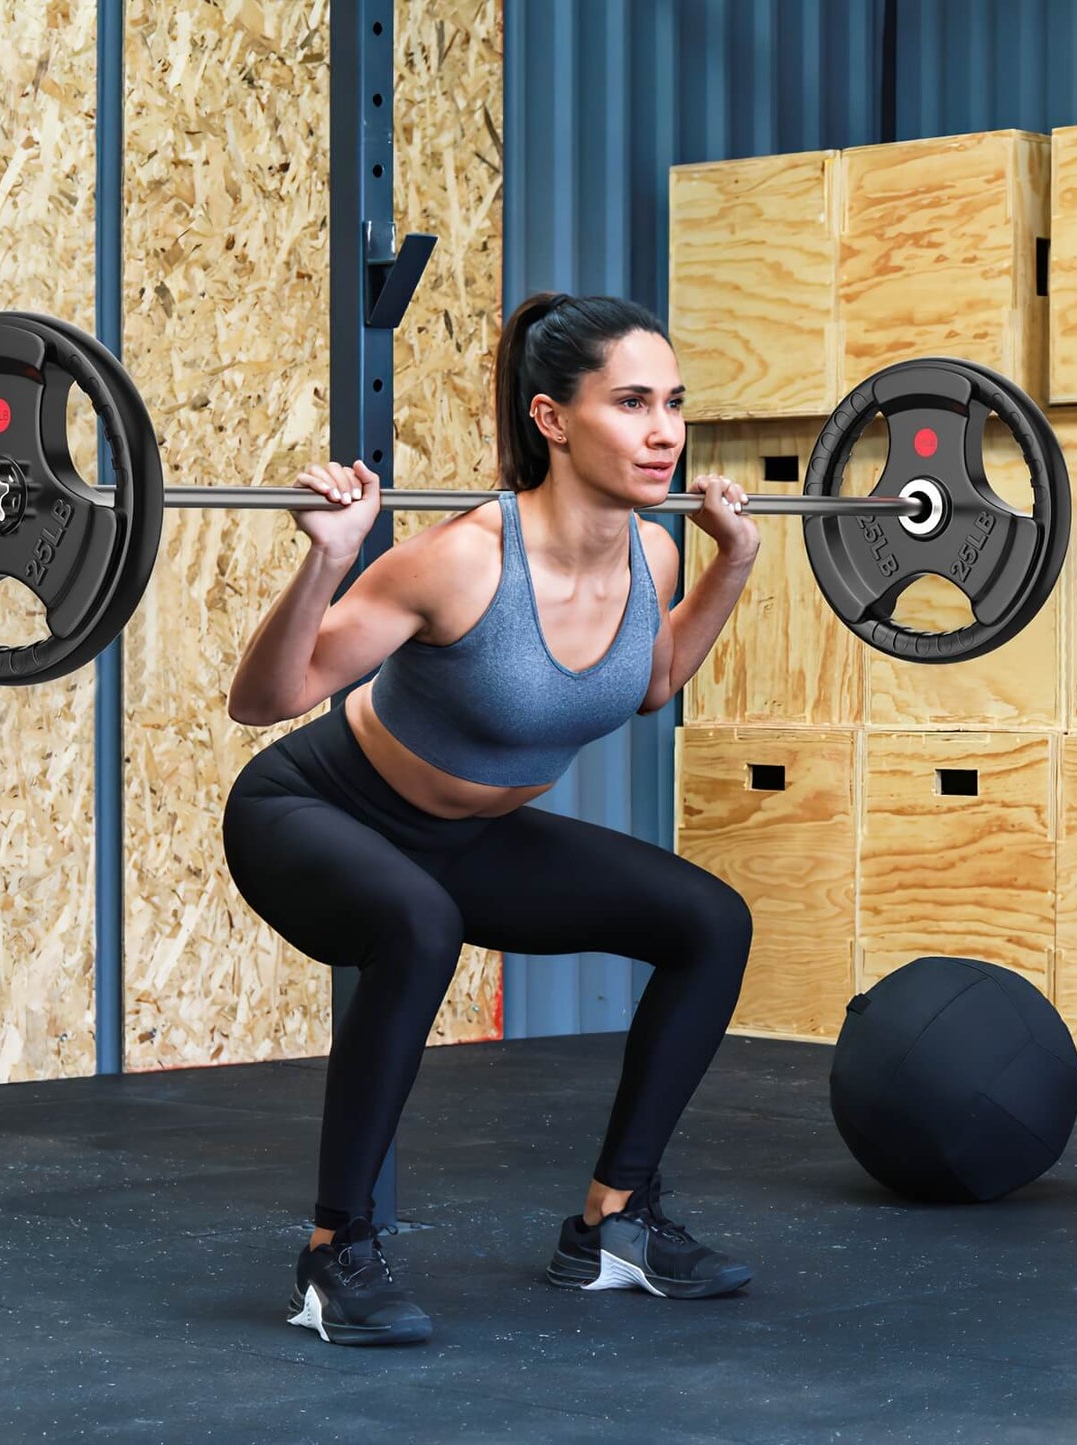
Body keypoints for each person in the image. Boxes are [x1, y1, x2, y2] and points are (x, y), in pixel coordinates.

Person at [221, 292, 760, 1348]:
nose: (664, 432)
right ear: (552, 419)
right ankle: (337, 1252)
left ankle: (613, 1220)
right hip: (315, 810)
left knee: (709, 920)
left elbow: (649, 680)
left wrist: (731, 565)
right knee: (417, 924)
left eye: (674, 404)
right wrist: (326, 558)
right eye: (631, 403)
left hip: (467, 839)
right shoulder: (461, 560)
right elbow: (265, 699)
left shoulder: (654, 555)